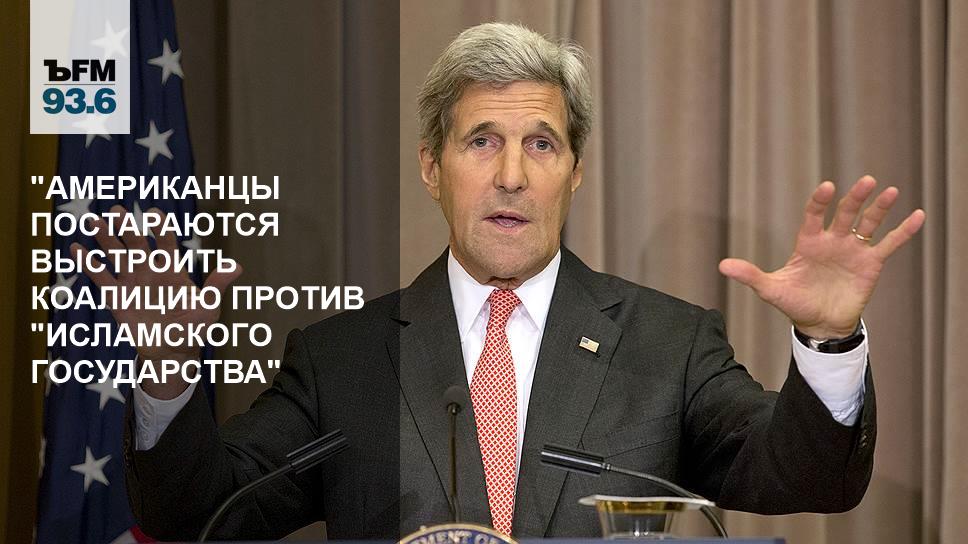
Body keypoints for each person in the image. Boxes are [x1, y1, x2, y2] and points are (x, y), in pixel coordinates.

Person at [76, 22, 925, 541]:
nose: (512, 175)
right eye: (482, 141)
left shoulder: (667, 344)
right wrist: (166, 376)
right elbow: (196, 516)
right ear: (432, 167)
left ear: (575, 172)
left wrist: (828, 342)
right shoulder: (343, 360)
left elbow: (807, 478)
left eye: (541, 145)